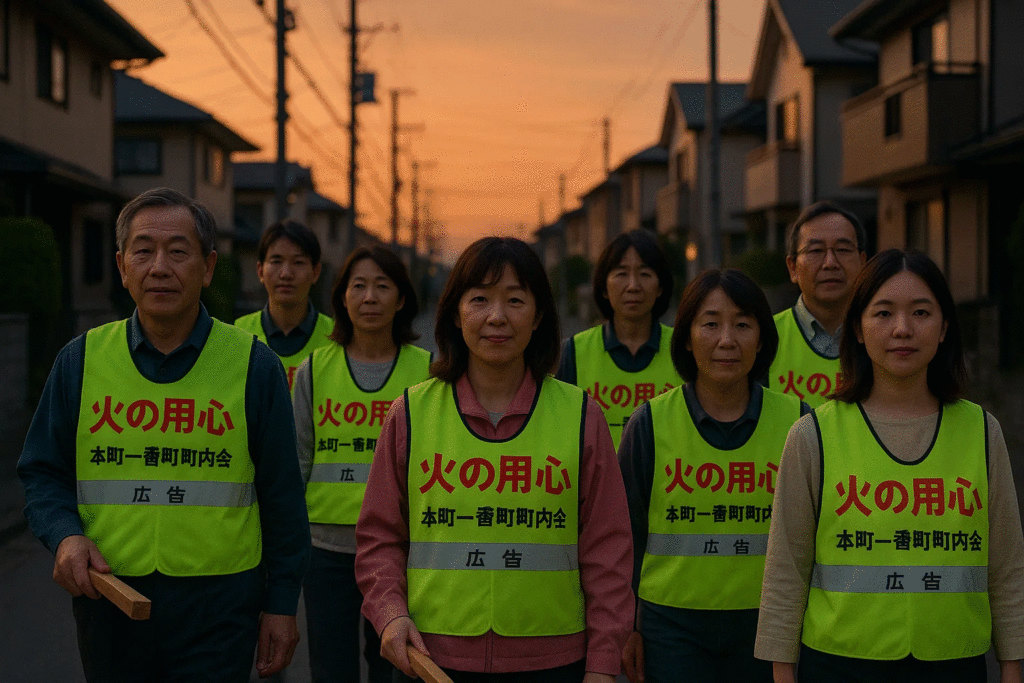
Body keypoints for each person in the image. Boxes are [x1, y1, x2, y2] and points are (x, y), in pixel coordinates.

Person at [16, 188, 311, 682]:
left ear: (208, 266)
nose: (159, 267)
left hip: (221, 606)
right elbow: (42, 471)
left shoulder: (253, 365)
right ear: (121, 265)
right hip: (109, 597)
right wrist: (65, 537)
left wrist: (281, 605)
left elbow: (282, 496)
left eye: (178, 252)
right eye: (143, 250)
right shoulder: (81, 360)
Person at [355, 237, 634, 683]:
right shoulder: (411, 412)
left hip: (554, 661)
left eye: (515, 300)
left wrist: (602, 664)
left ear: (539, 315)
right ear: (455, 311)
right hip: (431, 659)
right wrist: (390, 615)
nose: (497, 317)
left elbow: (608, 552)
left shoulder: (581, 415)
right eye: (480, 299)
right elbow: (379, 538)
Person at [755, 249, 1024, 683]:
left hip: (954, 660)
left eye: (921, 312)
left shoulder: (981, 430)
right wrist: (782, 670)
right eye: (883, 313)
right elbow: (787, 566)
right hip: (840, 661)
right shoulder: (813, 435)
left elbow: (1007, 564)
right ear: (858, 329)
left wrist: (1012, 664)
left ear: (944, 329)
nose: (903, 329)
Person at [618, 269, 807, 683]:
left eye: (742, 325)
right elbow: (623, 535)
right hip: (671, 629)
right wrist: (627, 626)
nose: (727, 340)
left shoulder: (799, 422)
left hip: (769, 626)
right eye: (710, 324)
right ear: (686, 337)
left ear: (762, 338)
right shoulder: (649, 424)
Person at [293, 246, 431, 683]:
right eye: (359, 286)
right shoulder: (314, 370)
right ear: (343, 298)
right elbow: (298, 459)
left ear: (402, 299)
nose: (369, 297)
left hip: (402, 552)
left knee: (394, 668)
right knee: (331, 670)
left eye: (382, 286)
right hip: (326, 551)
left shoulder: (428, 372)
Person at [556, 229, 683, 448]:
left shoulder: (684, 350)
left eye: (644, 274)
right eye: (621, 274)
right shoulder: (571, 353)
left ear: (660, 287)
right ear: (604, 287)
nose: (633, 285)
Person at [767, 202, 867, 408]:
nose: (830, 262)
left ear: (863, 262)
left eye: (842, 249)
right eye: (816, 251)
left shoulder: (885, 336)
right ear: (792, 267)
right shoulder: (764, 339)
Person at [235, 219, 333, 393]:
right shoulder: (238, 334)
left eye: (298, 262)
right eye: (276, 261)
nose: (286, 273)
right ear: (260, 271)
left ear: (316, 272)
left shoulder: (335, 337)